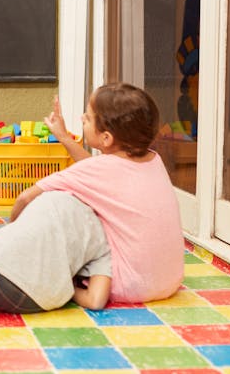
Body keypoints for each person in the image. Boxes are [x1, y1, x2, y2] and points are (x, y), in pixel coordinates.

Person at [11, 82, 184, 304]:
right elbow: (98, 170)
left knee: (67, 211)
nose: (82, 118)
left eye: (89, 117)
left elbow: (24, 197)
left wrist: (11, 234)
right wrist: (64, 138)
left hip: (127, 285)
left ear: (106, 138)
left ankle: (73, 291)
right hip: (168, 280)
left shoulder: (100, 170)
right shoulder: (153, 159)